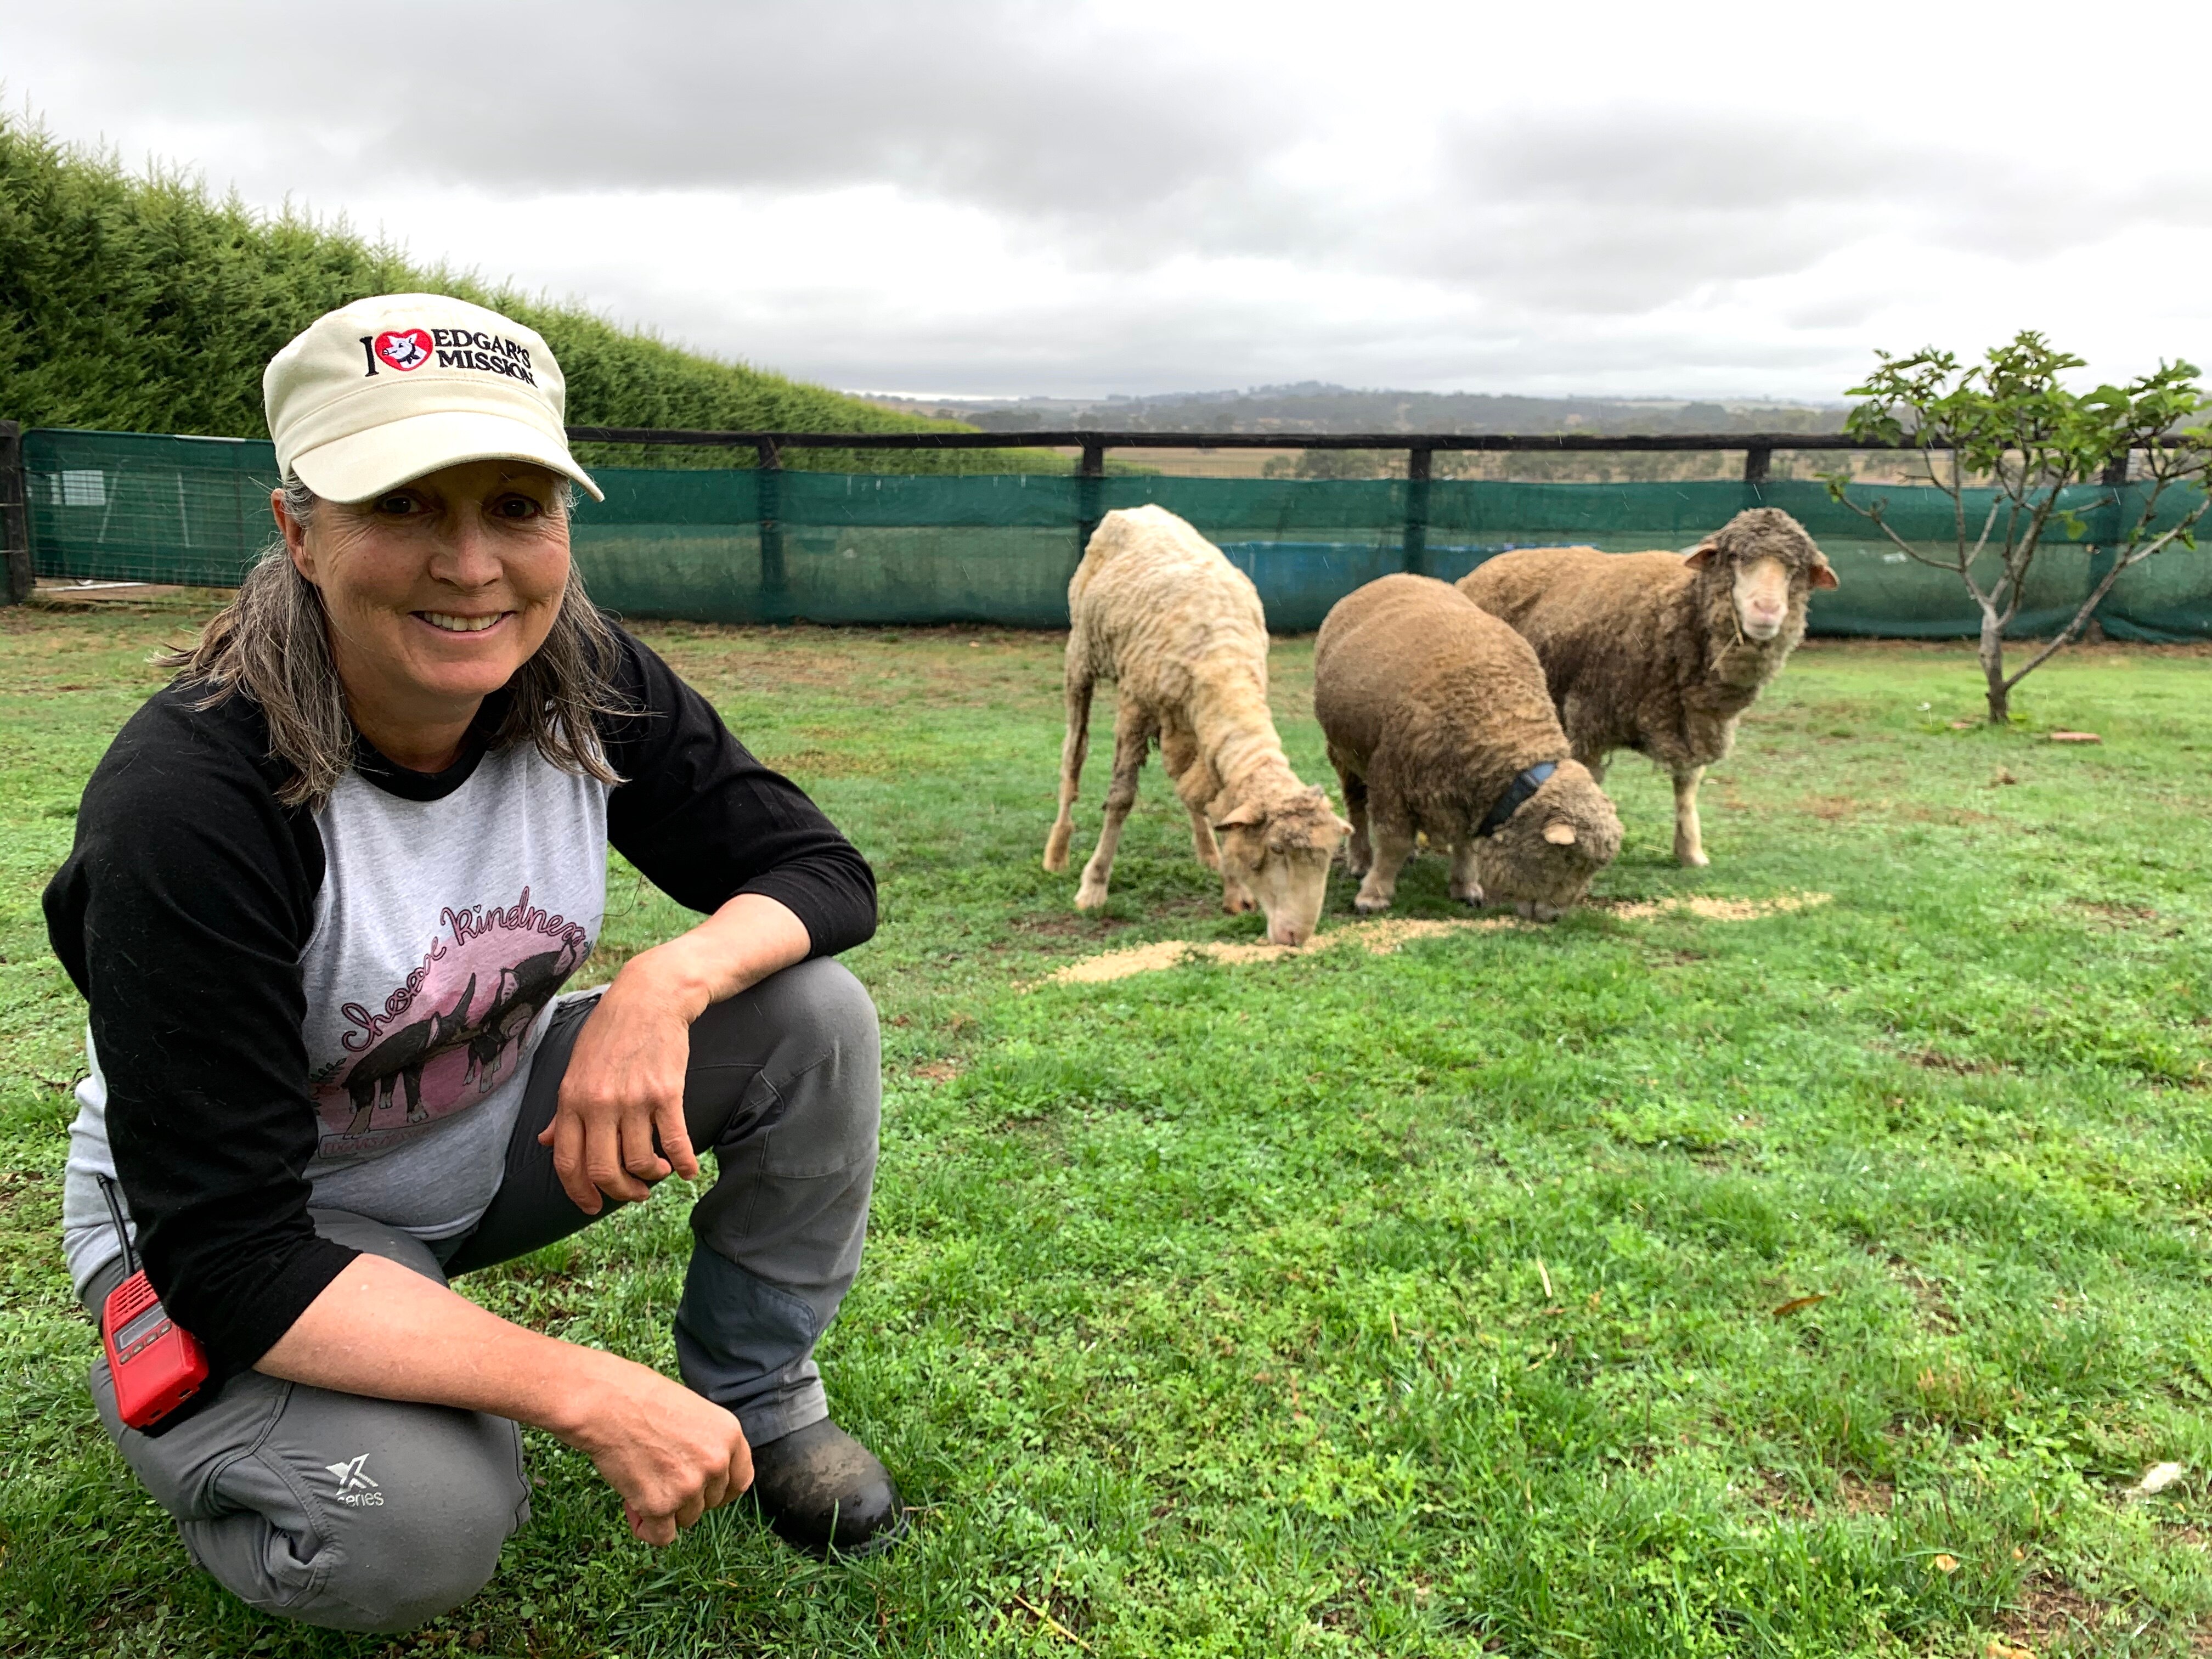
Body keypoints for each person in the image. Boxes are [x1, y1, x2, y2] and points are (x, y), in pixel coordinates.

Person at [44, 294, 903, 1635]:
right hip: (255, 1235)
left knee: (810, 1012)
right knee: (416, 1531)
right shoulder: (190, 800)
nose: (472, 566)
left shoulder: (588, 676)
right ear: (299, 533)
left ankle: (761, 1397)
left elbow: (821, 875)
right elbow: (230, 1253)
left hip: (482, 1141)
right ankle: (225, 1427)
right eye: (403, 506)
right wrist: (578, 1385)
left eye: (517, 506)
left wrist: (668, 985)